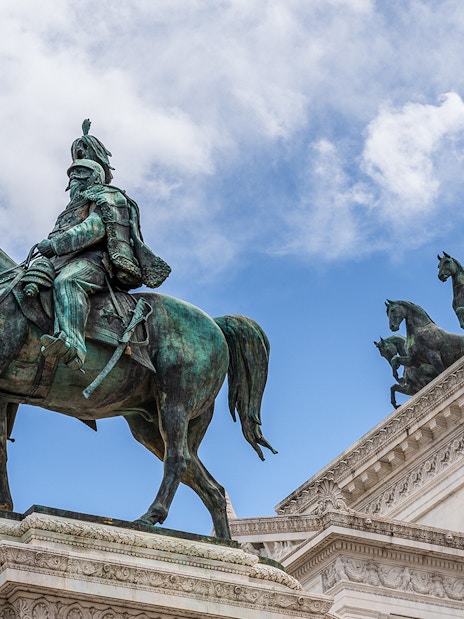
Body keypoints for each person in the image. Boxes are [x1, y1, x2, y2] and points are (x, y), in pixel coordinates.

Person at [36, 155, 170, 370]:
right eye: (71, 179)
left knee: (68, 282)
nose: (72, 184)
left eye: (78, 178)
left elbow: (93, 229)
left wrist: (56, 245)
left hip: (94, 262)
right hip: (60, 261)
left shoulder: (106, 196)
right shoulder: (68, 211)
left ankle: (72, 344)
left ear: (92, 179)